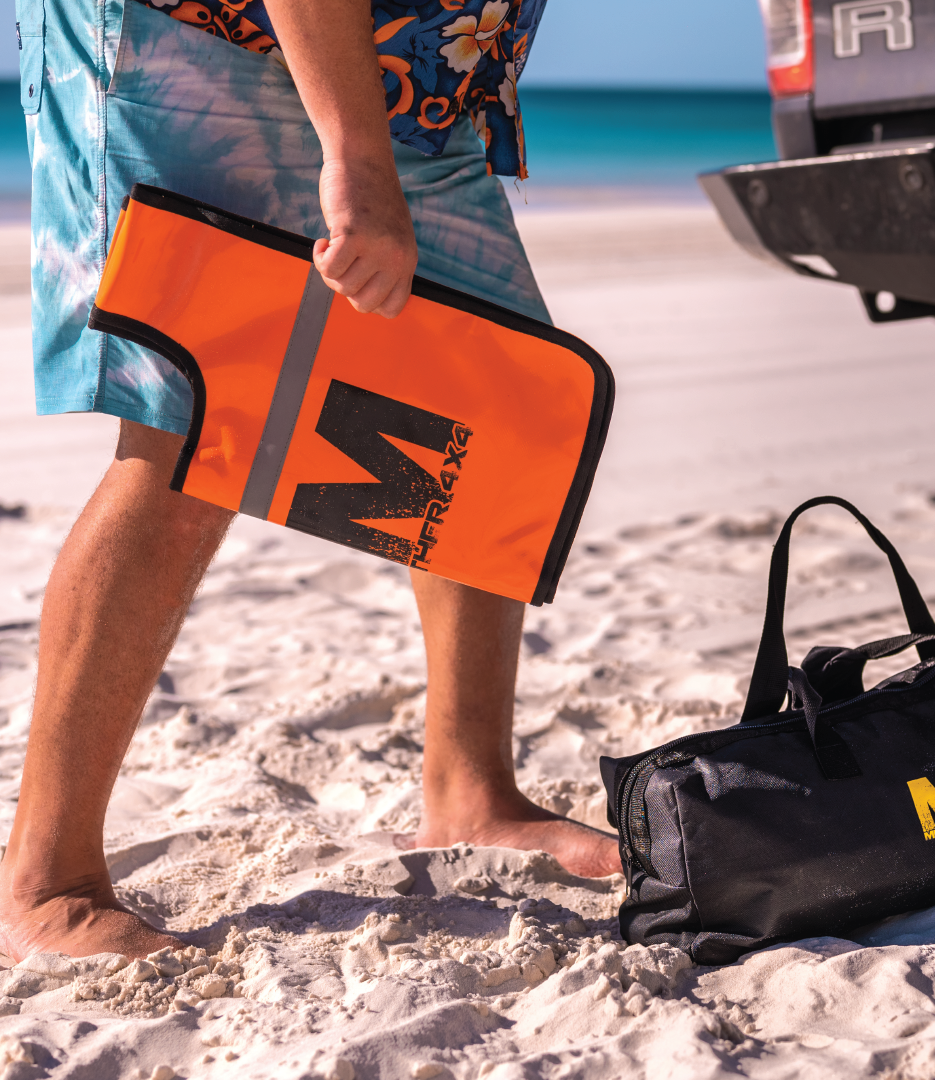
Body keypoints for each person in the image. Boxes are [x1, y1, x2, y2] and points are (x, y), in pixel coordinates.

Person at [1, 0, 619, 962]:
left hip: (421, 66)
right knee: (193, 433)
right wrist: (356, 160)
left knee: (486, 400)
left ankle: (471, 796)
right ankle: (50, 884)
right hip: (199, 29)